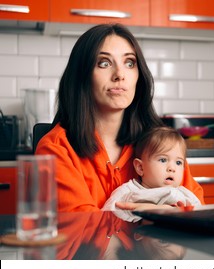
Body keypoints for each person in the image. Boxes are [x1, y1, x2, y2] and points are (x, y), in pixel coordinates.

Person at [35, 23, 204, 212]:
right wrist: (153, 215)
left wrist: (173, 214)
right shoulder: (55, 149)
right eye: (104, 63)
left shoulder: (160, 144)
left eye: (130, 63)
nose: (119, 75)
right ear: (81, 76)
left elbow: (198, 211)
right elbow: (83, 231)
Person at [102, 126, 202, 221]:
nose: (172, 168)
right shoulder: (128, 191)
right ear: (140, 167)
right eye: (163, 160)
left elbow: (201, 217)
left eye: (178, 162)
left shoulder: (185, 194)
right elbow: (105, 215)